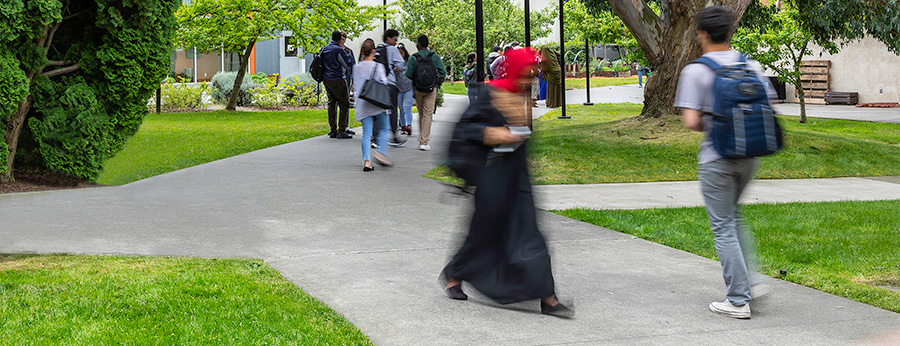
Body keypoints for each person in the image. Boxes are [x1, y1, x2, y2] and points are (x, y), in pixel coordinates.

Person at [441, 48, 572, 318]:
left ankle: (548, 298)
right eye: (527, 73)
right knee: (483, 233)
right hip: (493, 178)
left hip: (518, 177)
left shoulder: (523, 94)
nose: (532, 78)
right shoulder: (490, 94)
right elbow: (466, 129)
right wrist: (495, 133)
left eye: (533, 73)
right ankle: (453, 274)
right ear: (514, 70)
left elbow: (523, 136)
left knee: (531, 235)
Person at [674, 5, 775, 320]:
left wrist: (716, 121)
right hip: (750, 157)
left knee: (723, 225)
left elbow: (691, 121)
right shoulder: (751, 65)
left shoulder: (696, 70)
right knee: (733, 217)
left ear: (702, 34)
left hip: (717, 158)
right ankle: (751, 281)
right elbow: (768, 105)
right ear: (731, 32)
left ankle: (738, 299)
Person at [354, 39, 392, 171]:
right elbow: (384, 83)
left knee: (366, 134)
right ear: (373, 51)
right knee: (384, 128)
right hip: (377, 103)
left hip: (363, 103)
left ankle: (367, 162)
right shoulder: (378, 67)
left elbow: (357, 86)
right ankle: (381, 152)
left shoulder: (356, 67)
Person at [406, 34, 446, 151]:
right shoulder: (435, 57)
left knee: (421, 112)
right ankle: (424, 141)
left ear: (419, 44)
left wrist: (415, 81)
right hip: (431, 89)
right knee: (428, 114)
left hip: (418, 89)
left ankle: (421, 136)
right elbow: (442, 72)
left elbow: (408, 74)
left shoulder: (414, 58)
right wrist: (437, 83)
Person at [322, 30, 355, 139]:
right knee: (344, 103)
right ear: (339, 39)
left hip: (327, 79)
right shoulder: (338, 50)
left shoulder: (324, 49)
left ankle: (332, 130)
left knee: (332, 104)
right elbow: (348, 63)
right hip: (338, 78)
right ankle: (341, 130)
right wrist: (348, 54)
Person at [378, 29, 408, 147]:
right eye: (394, 39)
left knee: (378, 109)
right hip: (390, 82)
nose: (395, 42)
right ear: (388, 38)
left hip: (378, 83)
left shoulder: (378, 49)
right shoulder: (392, 50)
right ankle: (394, 135)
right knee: (392, 109)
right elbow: (401, 64)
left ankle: (375, 136)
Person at [396, 43, 414, 136]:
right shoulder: (395, 63)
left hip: (409, 87)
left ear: (404, 52)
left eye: (401, 52)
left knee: (407, 107)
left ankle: (408, 125)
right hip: (399, 88)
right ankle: (403, 126)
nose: (400, 54)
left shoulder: (409, 61)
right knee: (401, 108)